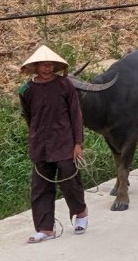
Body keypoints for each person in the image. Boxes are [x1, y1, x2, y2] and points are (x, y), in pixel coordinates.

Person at [18, 45, 89, 243]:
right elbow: (29, 117)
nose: (47, 69)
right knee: (40, 186)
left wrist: (77, 143)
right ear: (36, 67)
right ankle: (44, 228)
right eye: (43, 65)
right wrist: (36, 136)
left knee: (70, 180)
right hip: (40, 144)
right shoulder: (27, 90)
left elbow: (75, 114)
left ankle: (81, 213)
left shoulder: (65, 85)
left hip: (64, 142)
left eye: (50, 65)